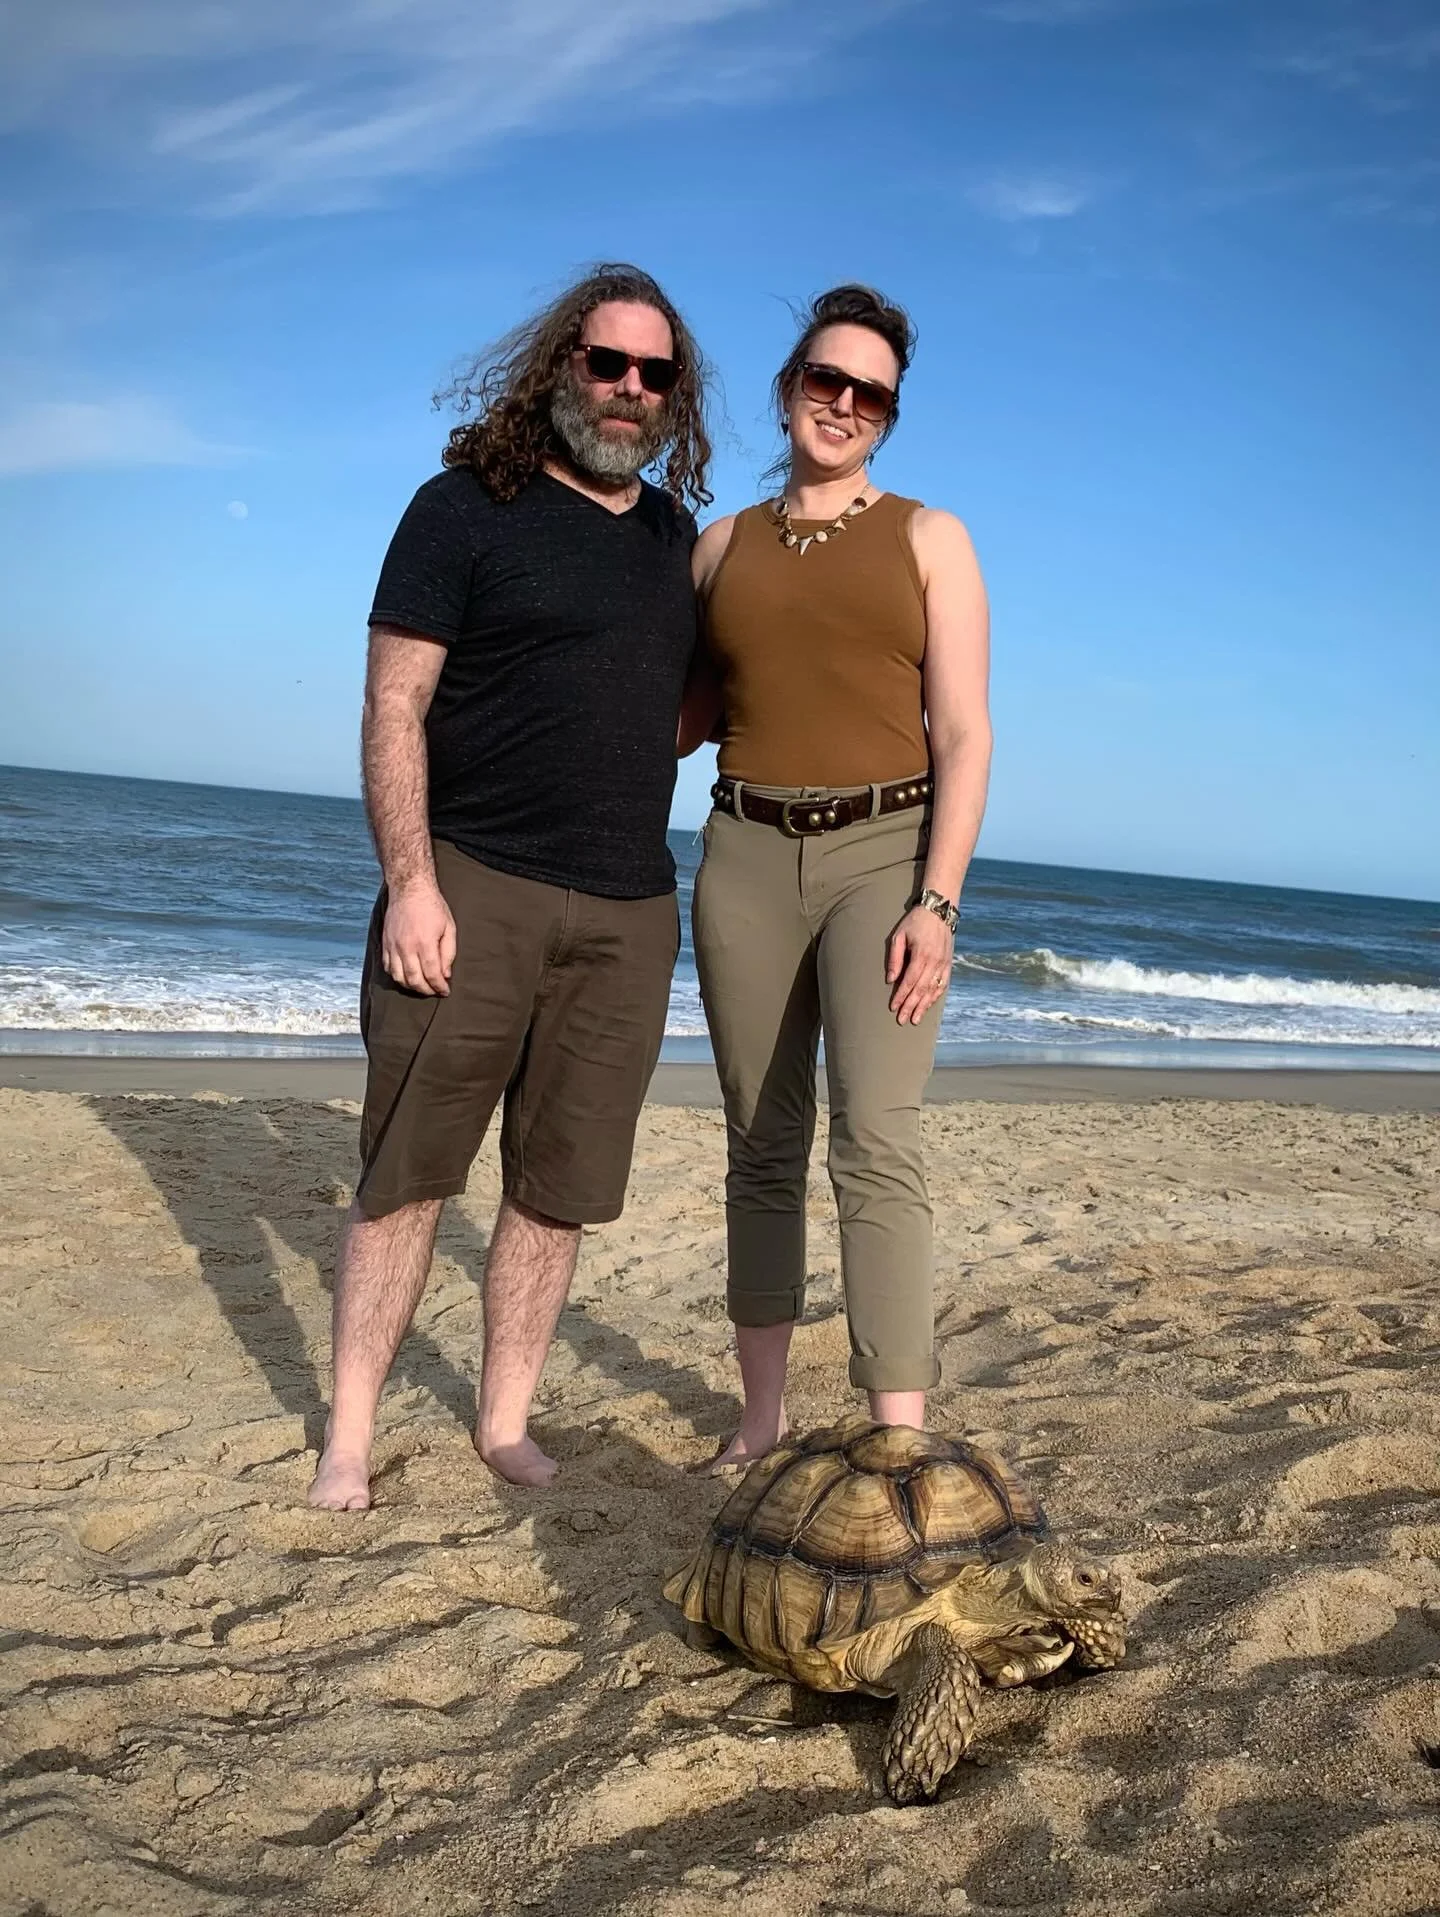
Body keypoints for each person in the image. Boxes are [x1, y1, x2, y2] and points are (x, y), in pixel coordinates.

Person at [309, 264, 711, 1509]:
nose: (629, 389)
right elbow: (394, 705)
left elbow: (671, 714)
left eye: (656, 373)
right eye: (608, 364)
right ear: (560, 371)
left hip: (632, 911)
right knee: (408, 1173)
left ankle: (502, 1423)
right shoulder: (462, 508)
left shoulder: (673, 539)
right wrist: (412, 884)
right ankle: (350, 1439)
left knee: (556, 1192)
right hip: (472, 886)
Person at [680, 284, 991, 1470]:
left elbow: (964, 735)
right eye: (829, 380)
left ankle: (895, 1433)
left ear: (889, 415)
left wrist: (938, 902)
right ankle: (757, 1425)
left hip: (885, 854)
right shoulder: (722, 545)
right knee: (761, 1141)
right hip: (743, 855)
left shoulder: (929, 536)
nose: (846, 404)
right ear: (790, 385)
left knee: (877, 1134)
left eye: (873, 394)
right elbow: (676, 715)